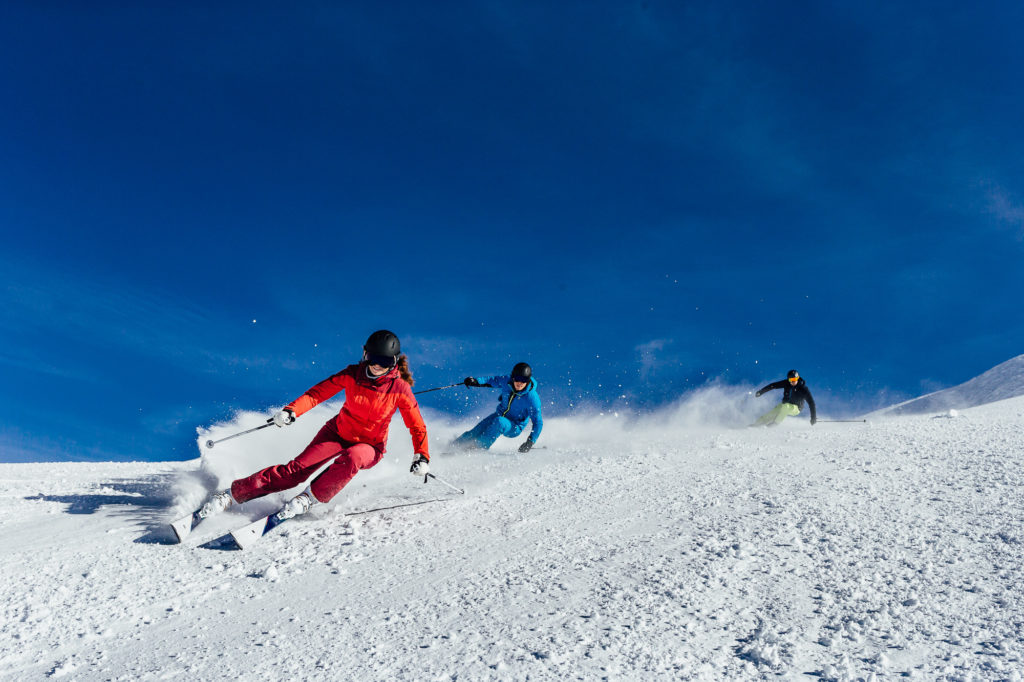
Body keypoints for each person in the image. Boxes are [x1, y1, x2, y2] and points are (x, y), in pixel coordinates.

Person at [197, 330, 431, 522]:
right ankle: (230, 495)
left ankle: (308, 498)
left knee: (353, 457)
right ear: (365, 354)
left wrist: (421, 455)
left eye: (384, 362)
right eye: (373, 359)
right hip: (337, 433)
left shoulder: (400, 389)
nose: (377, 366)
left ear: (394, 363)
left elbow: (417, 425)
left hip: (370, 446)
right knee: (294, 472)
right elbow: (318, 393)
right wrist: (291, 411)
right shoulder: (352, 374)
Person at [452, 362, 543, 452]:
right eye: (518, 378)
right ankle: (453, 446)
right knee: (475, 432)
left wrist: (530, 442)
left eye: (524, 380)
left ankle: (478, 448)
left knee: (500, 422)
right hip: (499, 415)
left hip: (515, 426)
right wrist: (475, 381)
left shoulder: (532, 398)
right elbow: (492, 380)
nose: (520, 383)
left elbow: (538, 422)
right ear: (513, 377)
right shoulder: (507, 381)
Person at [752, 369, 817, 427]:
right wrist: (761, 392)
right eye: (790, 380)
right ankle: (757, 424)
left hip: (796, 408)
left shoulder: (803, 389)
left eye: (794, 379)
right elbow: (773, 385)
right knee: (773, 412)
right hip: (785, 405)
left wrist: (813, 417)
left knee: (785, 407)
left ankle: (774, 424)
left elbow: (811, 403)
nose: (792, 382)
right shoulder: (787, 383)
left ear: (798, 378)